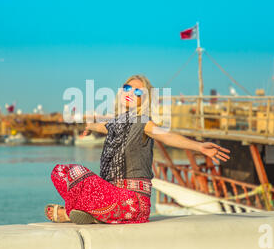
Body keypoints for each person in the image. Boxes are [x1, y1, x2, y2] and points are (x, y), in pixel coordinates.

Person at [45, 74, 230, 224]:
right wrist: (90, 126)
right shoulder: (117, 122)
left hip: (132, 202)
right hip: (110, 194)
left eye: (137, 91)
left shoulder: (144, 122)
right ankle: (95, 213)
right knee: (60, 171)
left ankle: (75, 213)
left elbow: (166, 135)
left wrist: (198, 146)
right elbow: (106, 127)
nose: (130, 93)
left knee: (78, 173)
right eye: (127, 88)